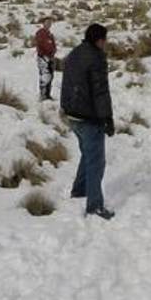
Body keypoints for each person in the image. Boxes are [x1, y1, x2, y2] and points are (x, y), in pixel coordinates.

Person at [61, 23, 115, 219]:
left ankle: (79, 190)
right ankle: (94, 206)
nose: (106, 43)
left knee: (87, 154)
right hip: (89, 117)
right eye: (105, 39)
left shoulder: (75, 53)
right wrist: (107, 118)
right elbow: (100, 92)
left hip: (71, 114)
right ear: (99, 39)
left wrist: (65, 108)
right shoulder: (96, 58)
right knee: (96, 161)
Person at [35, 16, 57, 101]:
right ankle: (43, 95)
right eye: (47, 22)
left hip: (50, 57)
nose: (49, 24)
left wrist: (53, 52)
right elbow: (42, 45)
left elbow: (52, 46)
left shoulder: (49, 34)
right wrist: (45, 55)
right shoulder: (41, 33)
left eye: (50, 22)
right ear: (43, 23)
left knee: (50, 76)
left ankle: (48, 95)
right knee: (45, 76)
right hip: (43, 57)